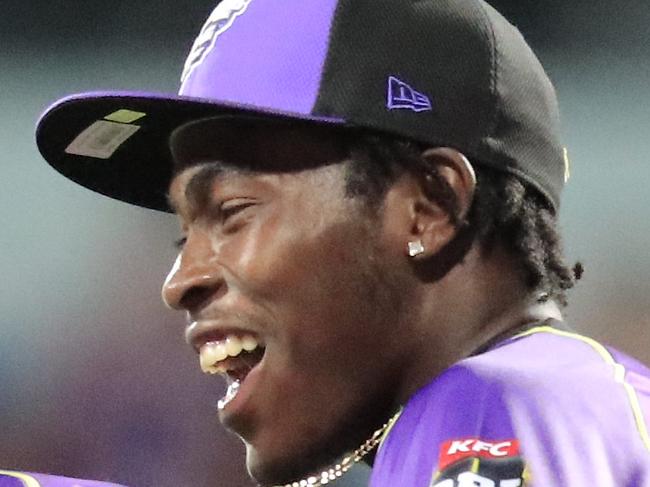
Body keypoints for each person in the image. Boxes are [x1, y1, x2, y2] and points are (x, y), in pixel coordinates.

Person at [33, 0, 650, 486]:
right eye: (182, 232)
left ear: (428, 209)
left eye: (232, 212)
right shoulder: (567, 405)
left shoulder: (495, 402)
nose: (180, 282)